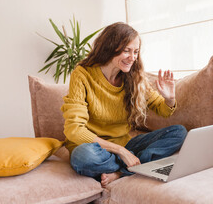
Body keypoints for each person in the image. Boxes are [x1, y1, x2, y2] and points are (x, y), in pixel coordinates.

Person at [61, 22, 187, 187]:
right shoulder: (82, 74)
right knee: (83, 157)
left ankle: (121, 172)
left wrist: (169, 98)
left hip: (125, 144)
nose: (132, 57)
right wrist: (121, 151)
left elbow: (163, 110)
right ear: (109, 47)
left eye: (135, 52)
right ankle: (136, 165)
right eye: (126, 50)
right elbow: (74, 130)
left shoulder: (134, 76)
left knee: (178, 132)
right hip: (94, 147)